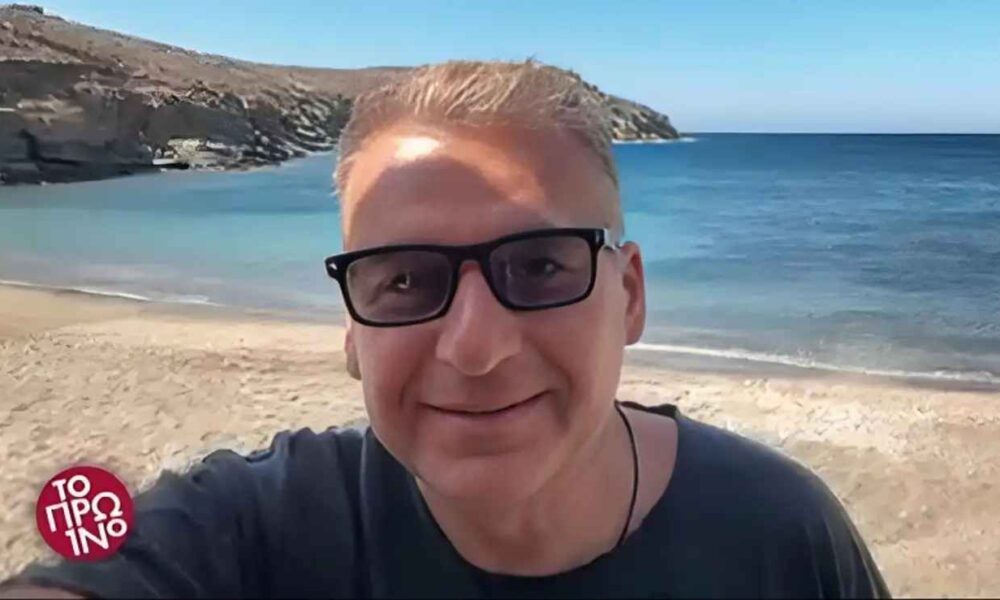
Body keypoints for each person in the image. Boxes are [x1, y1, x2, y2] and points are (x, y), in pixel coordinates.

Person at [1, 60, 890, 599]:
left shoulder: (777, 533)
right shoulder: (255, 528)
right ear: (352, 332)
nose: (475, 346)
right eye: (404, 279)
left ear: (629, 296)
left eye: (539, 267)